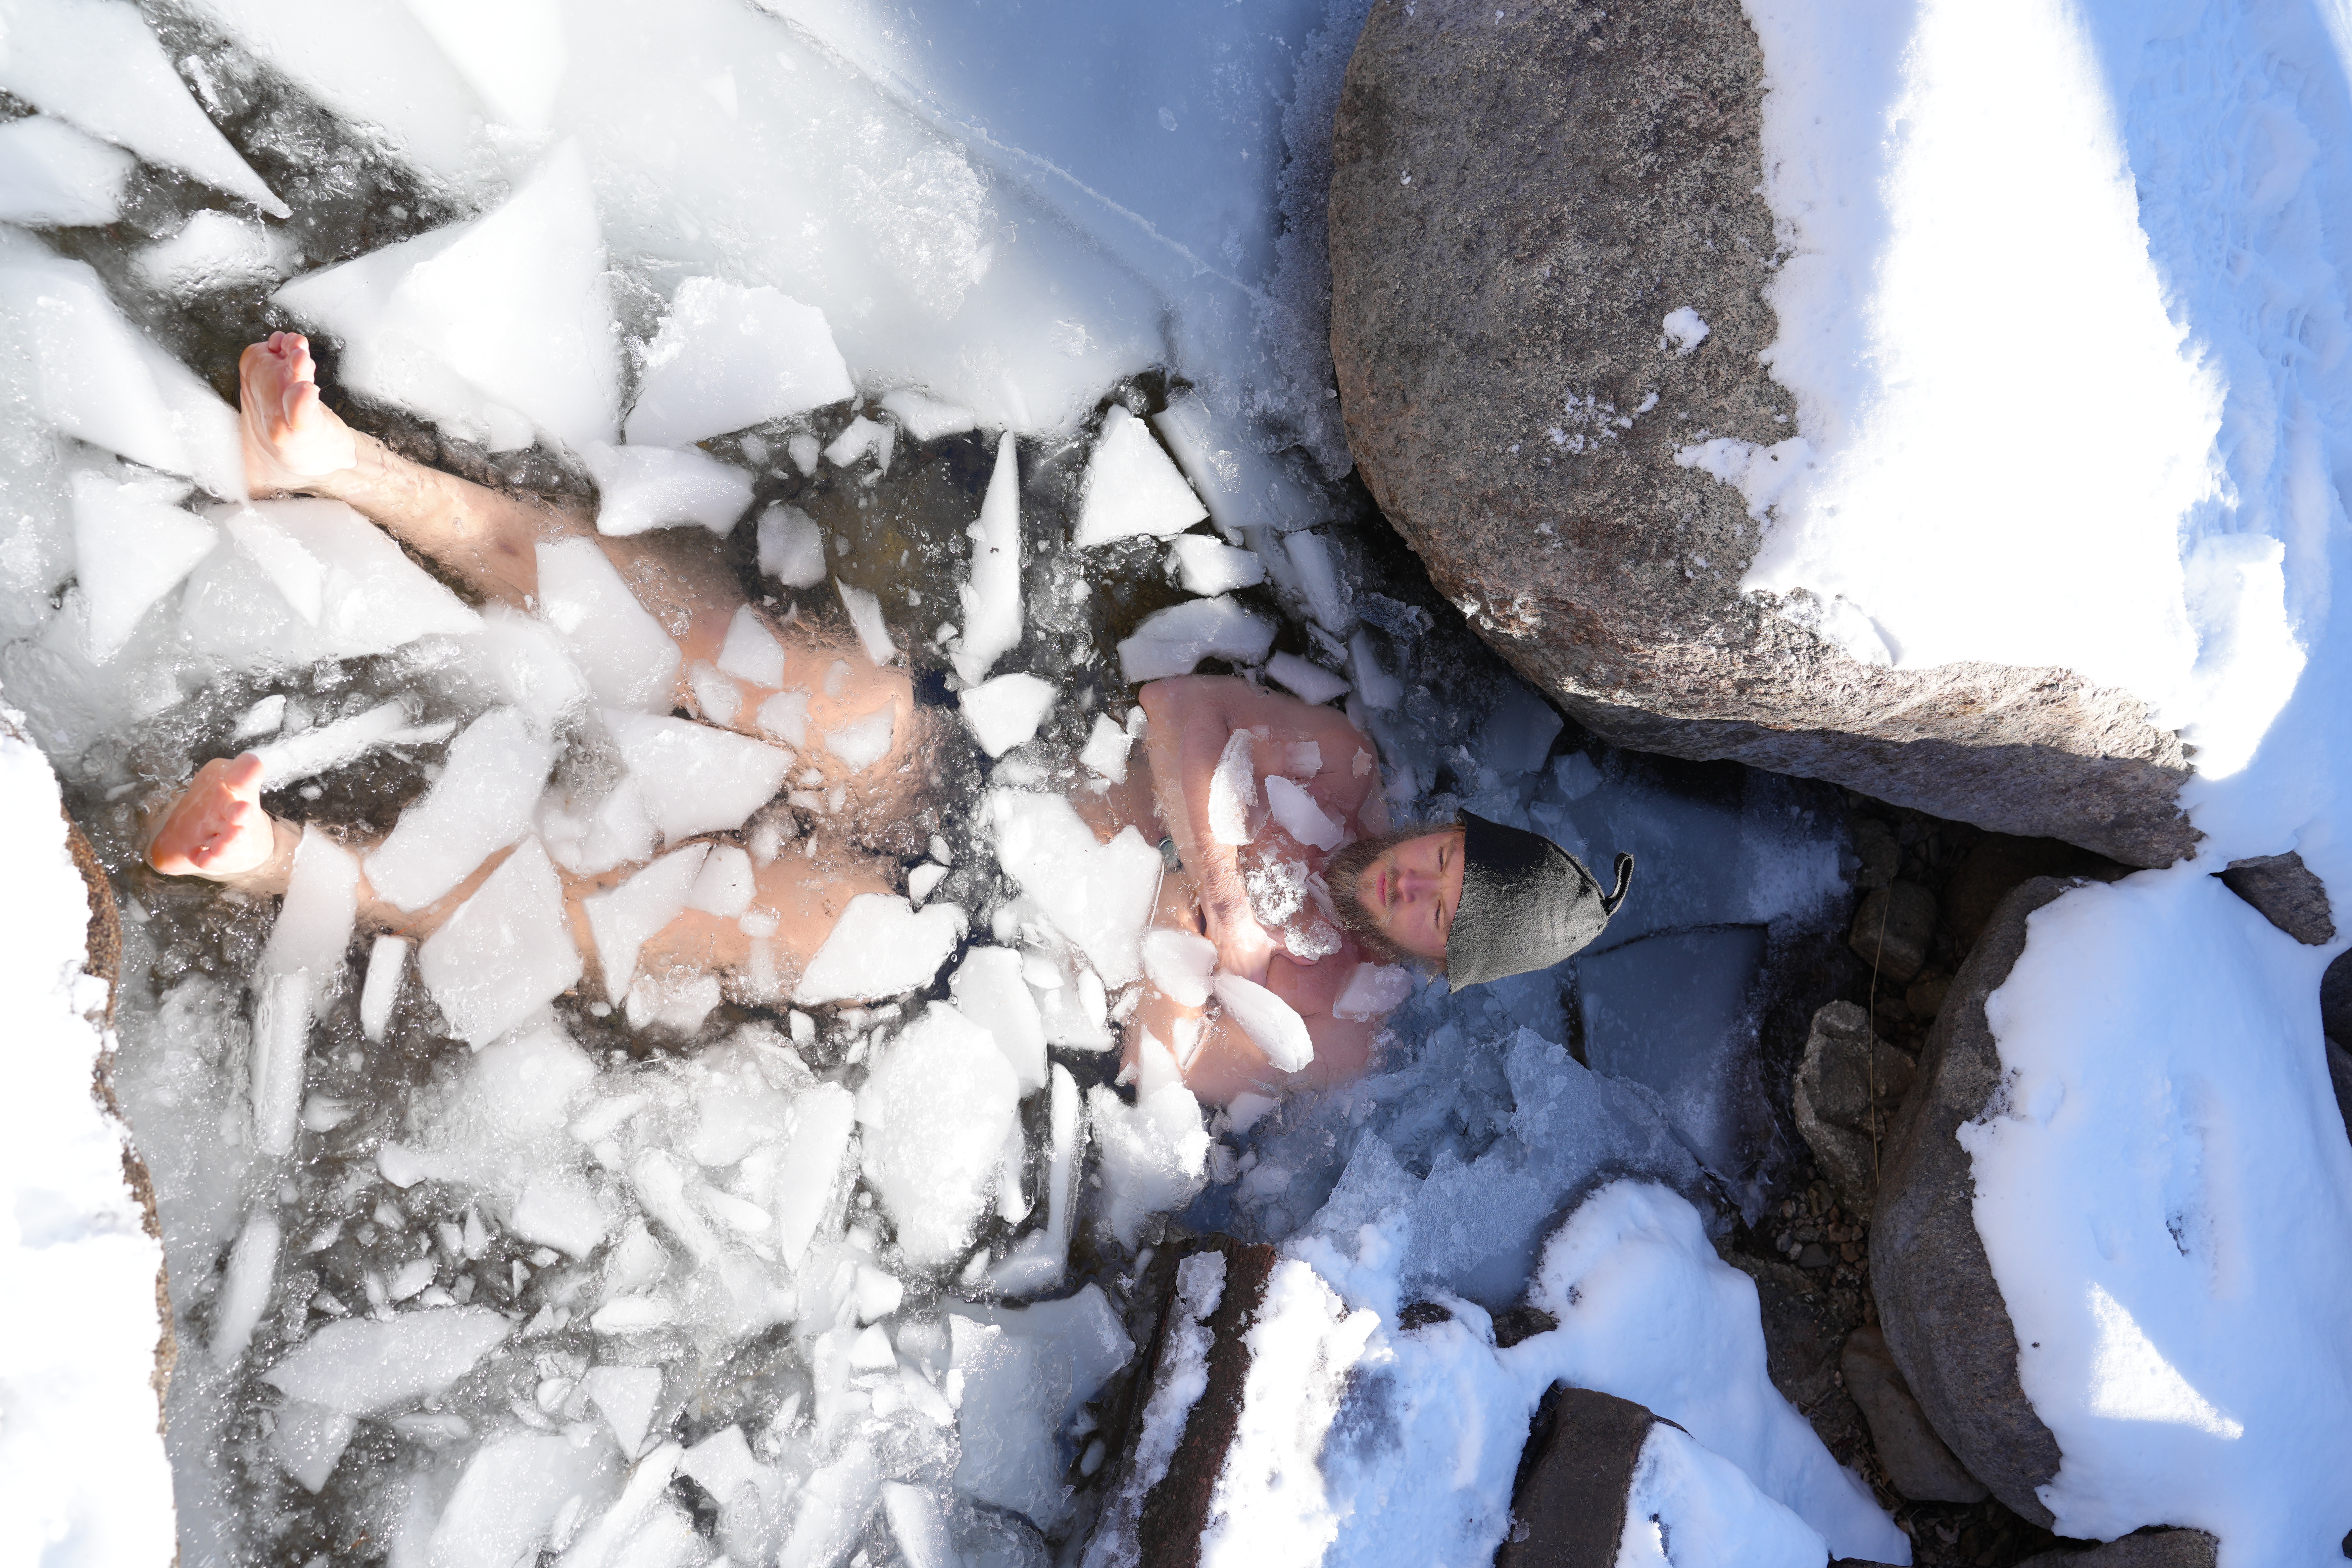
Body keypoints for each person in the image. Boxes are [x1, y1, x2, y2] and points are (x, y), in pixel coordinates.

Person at [148, 333, 1631, 1101]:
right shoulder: (1339, 764)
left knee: (721, 922)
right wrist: (1224, 870)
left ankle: (283, 860)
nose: (1426, 884)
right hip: (983, 770)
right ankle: (342, 467)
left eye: (1445, 919)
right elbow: (1176, 708)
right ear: (1449, 827)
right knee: (778, 675)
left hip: (972, 946)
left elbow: (1157, 1075)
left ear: (1442, 965)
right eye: (1453, 861)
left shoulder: (1335, 1037)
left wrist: (1196, 975)